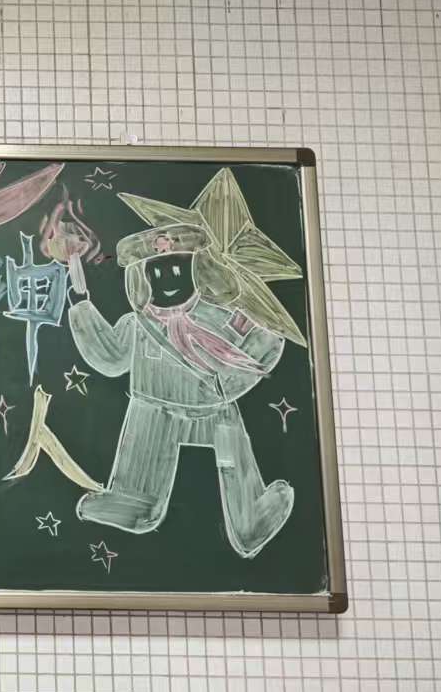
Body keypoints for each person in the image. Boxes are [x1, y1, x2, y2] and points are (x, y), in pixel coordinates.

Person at [66, 216, 294, 559]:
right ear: (142, 278)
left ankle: (251, 520)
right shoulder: (138, 325)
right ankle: (132, 502)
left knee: (234, 463)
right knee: (141, 462)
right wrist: (82, 306)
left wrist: (227, 384)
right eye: (155, 273)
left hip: (213, 410)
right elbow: (111, 358)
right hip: (153, 410)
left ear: (197, 270)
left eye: (176, 270)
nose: (167, 281)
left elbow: (262, 347)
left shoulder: (219, 317)